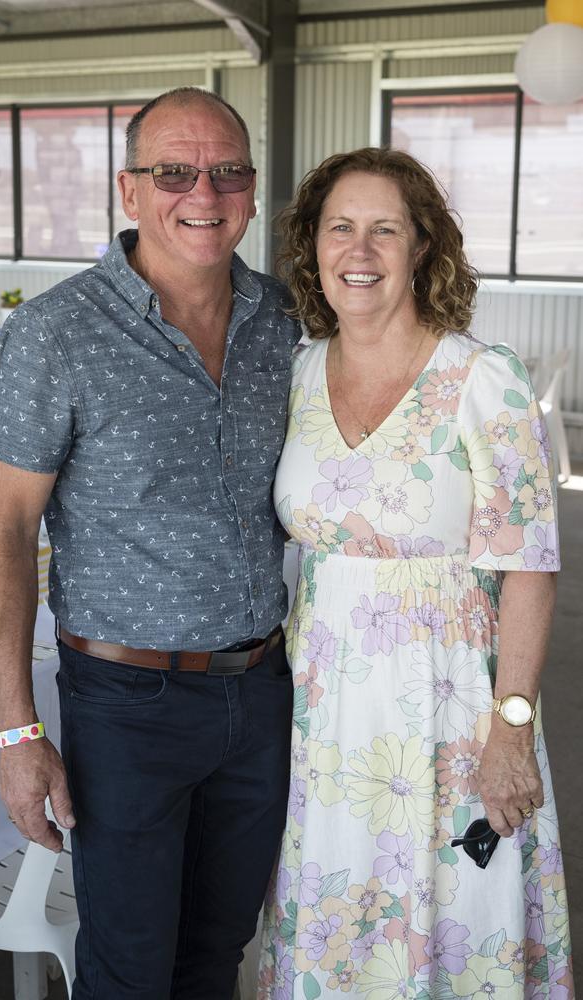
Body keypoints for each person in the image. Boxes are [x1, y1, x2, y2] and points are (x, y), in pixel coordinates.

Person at [0, 87, 300, 1000]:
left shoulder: (285, 323)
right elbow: (2, 528)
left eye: (228, 169)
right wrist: (15, 729)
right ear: (129, 191)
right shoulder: (58, 331)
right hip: (127, 705)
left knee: (219, 950)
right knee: (128, 963)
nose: (205, 190)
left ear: (251, 186)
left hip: (264, 690)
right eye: (174, 171)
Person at [258, 148, 573, 999]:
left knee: (456, 915)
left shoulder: (482, 377)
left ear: (422, 247)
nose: (359, 251)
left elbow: (530, 567)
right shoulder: (292, 374)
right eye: (341, 229)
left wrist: (511, 727)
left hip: (453, 707)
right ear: (312, 248)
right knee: (342, 915)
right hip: (324, 713)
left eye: (385, 229)